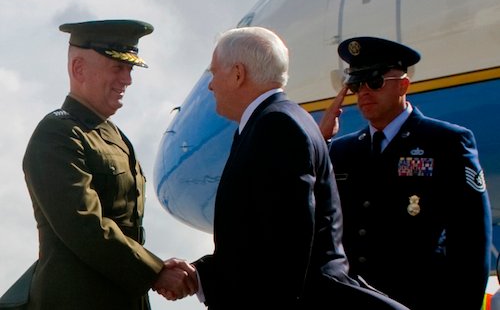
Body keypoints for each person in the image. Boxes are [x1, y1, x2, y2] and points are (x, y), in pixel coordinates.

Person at [156, 27, 410, 310]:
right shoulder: (269, 122)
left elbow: (286, 249)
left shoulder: (276, 127)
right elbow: (255, 241)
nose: (211, 86)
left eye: (214, 73)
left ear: (238, 74)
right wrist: (201, 275)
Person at [21, 19, 197, 310]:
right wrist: (155, 271)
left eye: (129, 69)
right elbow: (84, 225)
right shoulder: (57, 133)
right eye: (118, 67)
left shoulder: (114, 135)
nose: (127, 79)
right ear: (79, 69)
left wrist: (152, 273)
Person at [319, 36, 492, 310]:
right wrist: (320, 142)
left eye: (374, 82)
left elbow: (472, 241)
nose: (364, 93)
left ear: (403, 85)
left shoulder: (445, 143)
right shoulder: (342, 151)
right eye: (356, 84)